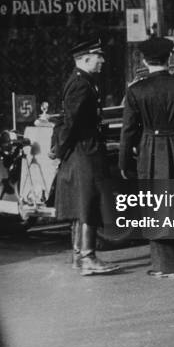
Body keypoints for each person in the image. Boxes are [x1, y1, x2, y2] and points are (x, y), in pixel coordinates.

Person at [119, 36, 174, 278]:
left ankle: (165, 266)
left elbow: (128, 130)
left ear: (145, 61)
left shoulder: (136, 90)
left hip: (151, 148)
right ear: (170, 58)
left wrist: (124, 160)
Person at [54, 38, 119, 276]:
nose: (102, 60)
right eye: (98, 56)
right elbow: (71, 122)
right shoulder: (81, 84)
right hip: (85, 151)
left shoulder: (84, 81)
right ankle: (87, 257)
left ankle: (78, 255)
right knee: (88, 203)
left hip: (84, 148)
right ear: (86, 59)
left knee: (84, 203)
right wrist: (61, 149)